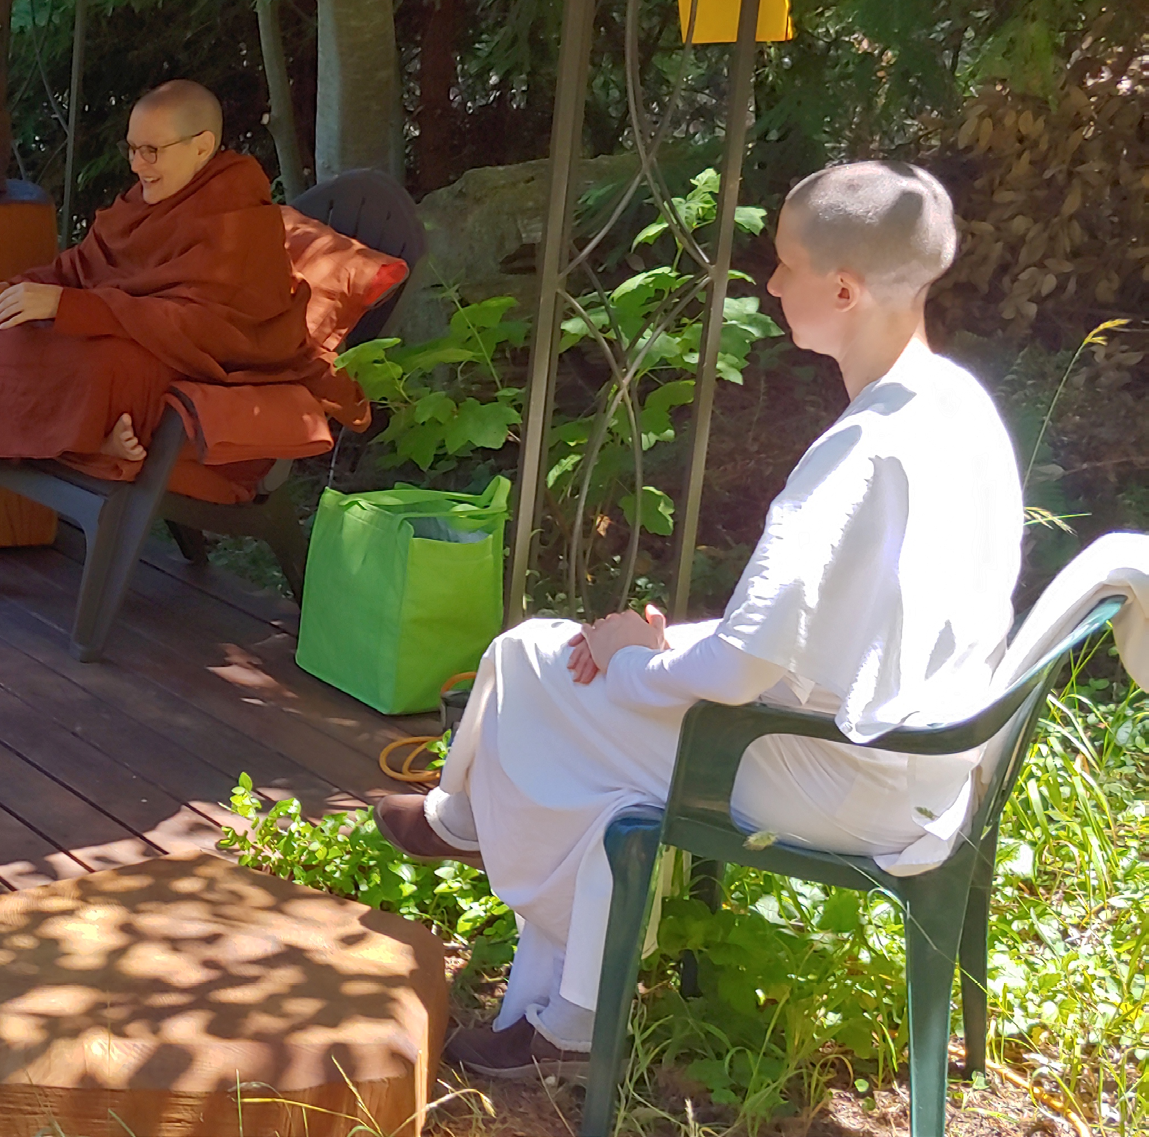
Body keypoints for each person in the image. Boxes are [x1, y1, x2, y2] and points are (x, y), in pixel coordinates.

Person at [370, 162, 1021, 1080]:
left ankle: (513, 912)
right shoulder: (958, 404)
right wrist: (657, 648)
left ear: (845, 290)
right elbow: (828, 628)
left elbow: (739, 670)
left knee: (534, 675)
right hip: (926, 757)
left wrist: (638, 661)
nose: (773, 283)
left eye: (787, 265)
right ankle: (547, 990)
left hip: (838, 772)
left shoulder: (860, 453)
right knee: (556, 688)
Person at [0, 79, 361, 502]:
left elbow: (207, 328)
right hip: (138, 338)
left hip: (200, 366)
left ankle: (93, 448)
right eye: (132, 149)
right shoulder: (143, 201)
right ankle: (92, 449)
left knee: (106, 366)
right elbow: (78, 269)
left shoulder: (241, 218)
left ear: (202, 147)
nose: (137, 166)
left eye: (152, 151)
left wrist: (72, 307)